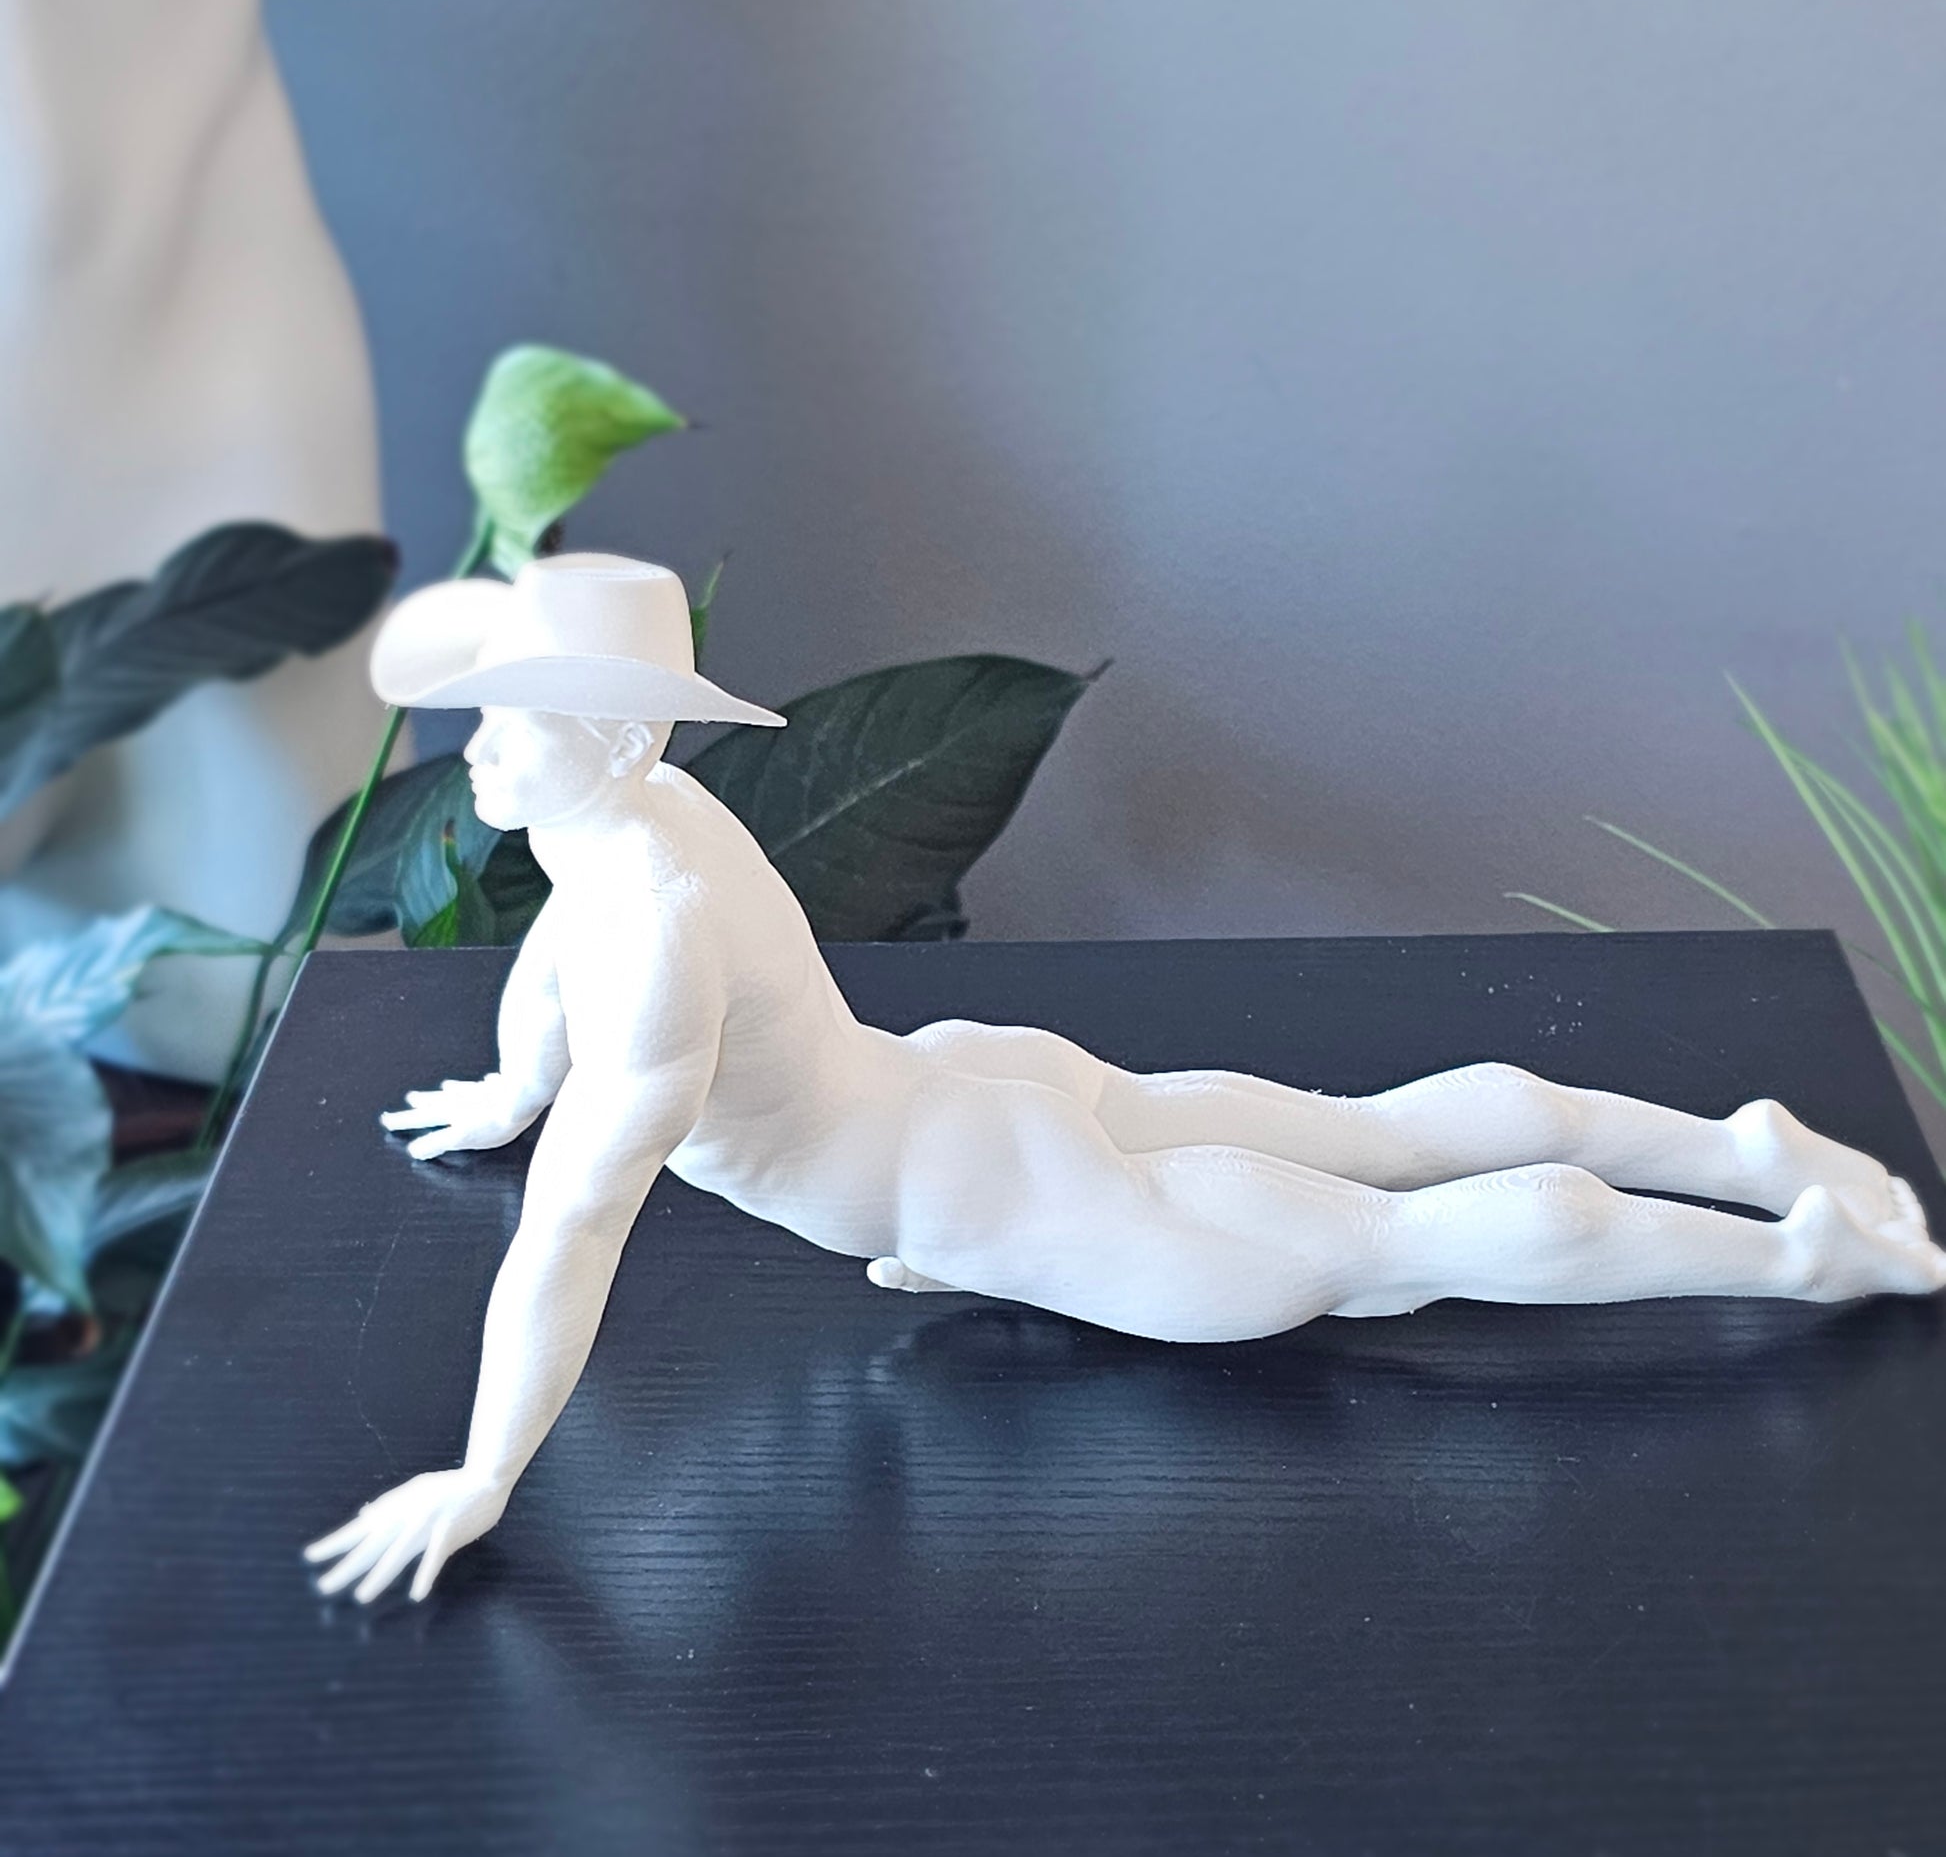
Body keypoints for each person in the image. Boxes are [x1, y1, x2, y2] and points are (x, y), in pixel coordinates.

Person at [309, 555, 1946, 1604]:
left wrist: (485, 1471)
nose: (478, 746)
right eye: (485, 712)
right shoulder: (637, 828)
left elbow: (579, 1222)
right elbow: (556, 961)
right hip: (959, 1092)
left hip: (982, 1194)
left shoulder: (655, 921)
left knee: (1385, 1246)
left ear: (620, 738)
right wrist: (511, 1090)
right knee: (1367, 1138)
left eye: (519, 717)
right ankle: (1742, 1150)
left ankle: (1803, 1255)